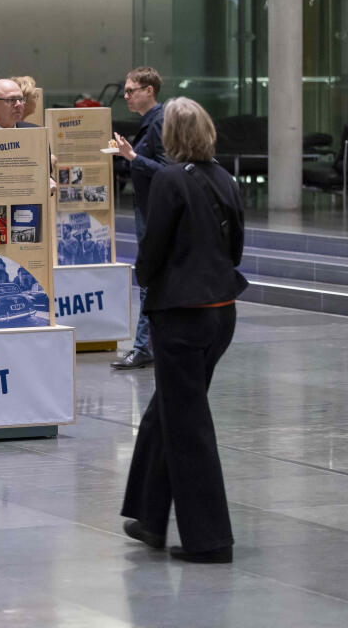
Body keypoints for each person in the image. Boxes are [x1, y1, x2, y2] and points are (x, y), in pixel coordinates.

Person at [120, 97, 245, 564]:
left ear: (170, 135)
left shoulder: (171, 180)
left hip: (181, 313)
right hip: (220, 311)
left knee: (188, 424)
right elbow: (236, 247)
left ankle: (210, 540)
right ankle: (150, 517)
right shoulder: (226, 178)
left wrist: (144, 278)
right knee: (166, 410)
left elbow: (152, 247)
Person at [111, 66, 168, 370]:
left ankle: (143, 346)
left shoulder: (158, 122)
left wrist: (133, 158)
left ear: (149, 91)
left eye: (131, 90)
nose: (126, 96)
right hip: (148, 209)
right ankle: (151, 345)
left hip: (154, 212)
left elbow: (167, 169)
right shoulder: (151, 122)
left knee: (149, 278)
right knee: (151, 279)